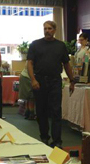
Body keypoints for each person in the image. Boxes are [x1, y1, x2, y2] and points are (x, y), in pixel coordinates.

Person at [27, 20, 75, 148]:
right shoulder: (35, 44)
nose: (47, 31)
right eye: (45, 28)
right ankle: (44, 137)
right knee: (41, 111)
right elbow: (30, 63)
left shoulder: (60, 46)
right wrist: (33, 79)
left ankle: (57, 141)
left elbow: (66, 64)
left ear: (54, 30)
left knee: (56, 111)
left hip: (55, 81)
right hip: (39, 81)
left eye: (49, 28)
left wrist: (72, 80)